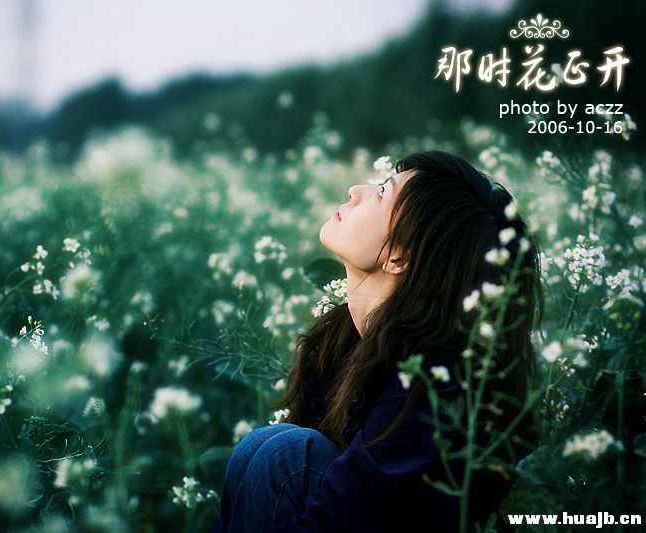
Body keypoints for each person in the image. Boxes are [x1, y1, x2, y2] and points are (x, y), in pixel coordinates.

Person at [212, 150, 544, 532]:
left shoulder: (428, 388)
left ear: (400, 257)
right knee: (265, 446)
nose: (355, 191)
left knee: (287, 456)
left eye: (383, 192)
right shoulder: (343, 340)